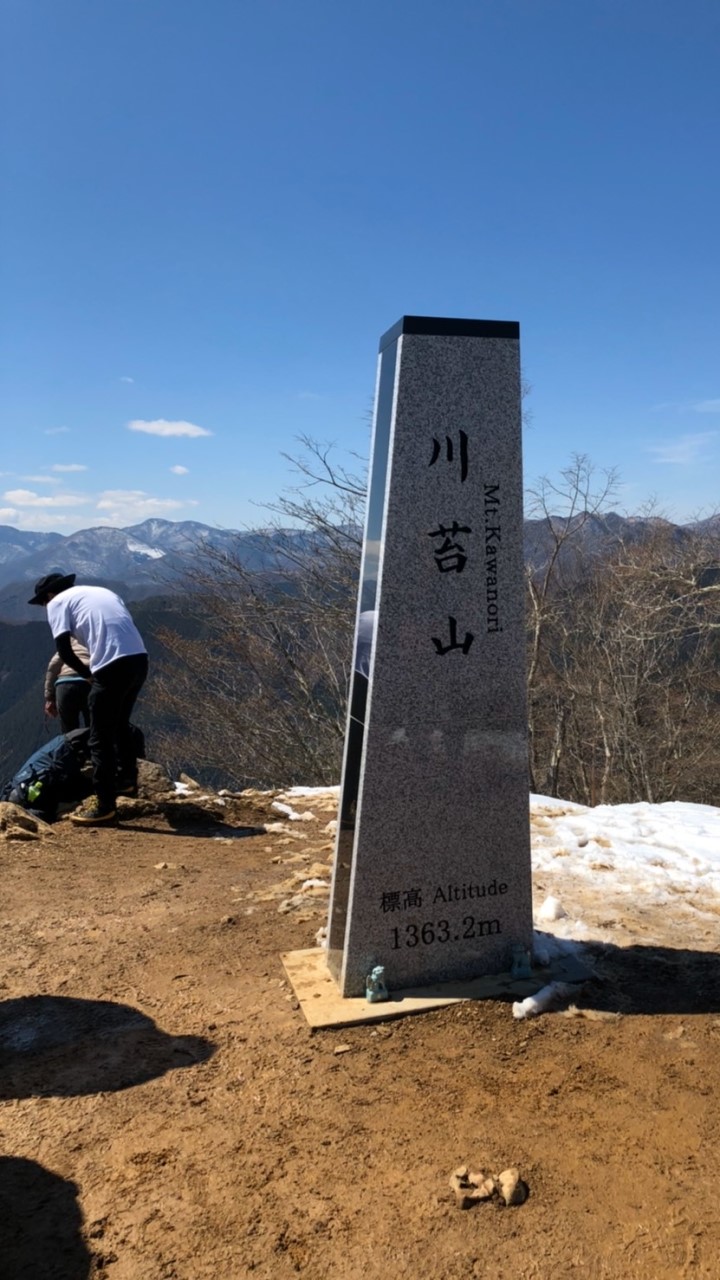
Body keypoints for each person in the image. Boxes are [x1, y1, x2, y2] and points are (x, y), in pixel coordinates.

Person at [29, 572, 148, 826]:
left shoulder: (57, 603)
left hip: (110, 664)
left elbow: (63, 651)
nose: (44, 608)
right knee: (119, 723)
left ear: (49, 595)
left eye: (42, 603)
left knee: (99, 735)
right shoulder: (103, 592)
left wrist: (88, 675)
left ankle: (104, 806)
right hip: (139, 658)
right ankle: (126, 781)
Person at [44, 638, 91, 732]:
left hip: (64, 685)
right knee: (96, 729)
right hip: (90, 683)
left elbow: (53, 665)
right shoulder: (100, 639)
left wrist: (49, 697)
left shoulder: (72, 640)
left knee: (69, 733)